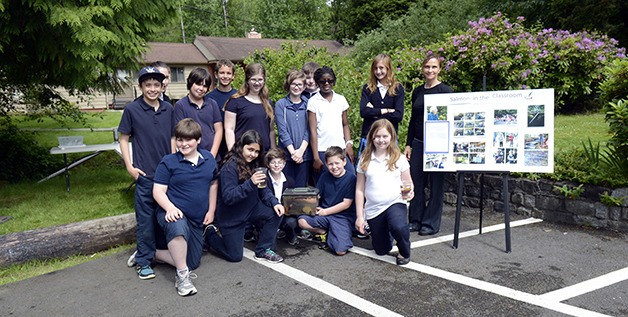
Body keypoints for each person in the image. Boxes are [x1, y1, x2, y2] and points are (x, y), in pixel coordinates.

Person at [119, 66, 175, 280]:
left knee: (164, 218)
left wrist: (172, 163)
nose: (152, 89)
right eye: (148, 85)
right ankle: (143, 261)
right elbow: (124, 138)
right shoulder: (132, 110)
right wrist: (129, 166)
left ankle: (159, 254)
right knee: (145, 221)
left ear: (162, 86)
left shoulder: (168, 108)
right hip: (144, 176)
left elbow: (172, 138)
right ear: (140, 86)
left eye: (156, 85)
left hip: (165, 176)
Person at [153, 118, 218, 296]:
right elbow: (158, 191)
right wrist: (170, 208)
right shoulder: (169, 161)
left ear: (198, 140)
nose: (183, 144)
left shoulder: (209, 159)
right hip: (173, 212)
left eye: (188, 139)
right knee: (178, 225)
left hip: (196, 219)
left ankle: (150, 253)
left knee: (192, 260)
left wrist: (211, 209)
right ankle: (182, 277)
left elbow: (213, 184)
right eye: (179, 139)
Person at [204, 130, 285, 263]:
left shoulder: (255, 164)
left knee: (277, 212)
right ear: (241, 146)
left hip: (251, 208)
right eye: (250, 149)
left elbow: (263, 189)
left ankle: (263, 250)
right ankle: (209, 234)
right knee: (235, 256)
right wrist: (250, 183)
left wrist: (275, 202)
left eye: (257, 151)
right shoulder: (229, 167)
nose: (253, 154)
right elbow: (229, 197)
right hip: (232, 216)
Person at [405, 53, 453, 235]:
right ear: (422, 69)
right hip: (418, 143)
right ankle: (415, 220)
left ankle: (430, 223)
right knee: (416, 183)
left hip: (438, 147)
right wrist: (408, 144)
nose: (430, 70)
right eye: (427, 67)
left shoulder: (446, 91)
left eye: (434, 67)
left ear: (439, 69)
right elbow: (412, 120)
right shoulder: (418, 91)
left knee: (436, 185)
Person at [356, 119, 413, 265]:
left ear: (391, 137)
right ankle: (387, 233)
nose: (381, 140)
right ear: (372, 137)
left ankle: (404, 250)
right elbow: (359, 189)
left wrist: (410, 191)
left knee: (398, 226)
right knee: (381, 250)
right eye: (377, 136)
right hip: (374, 209)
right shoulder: (364, 159)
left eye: (385, 136)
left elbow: (408, 182)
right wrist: (360, 217)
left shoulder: (399, 158)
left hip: (395, 202)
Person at [298, 146, 356, 255]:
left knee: (340, 251)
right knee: (302, 221)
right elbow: (317, 195)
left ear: (344, 162)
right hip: (324, 215)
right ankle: (323, 232)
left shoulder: (351, 179)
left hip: (342, 217)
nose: (334, 167)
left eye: (337, 163)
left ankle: (335, 234)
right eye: (330, 164)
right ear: (326, 163)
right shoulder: (324, 176)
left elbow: (346, 204)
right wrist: (311, 205)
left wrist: (325, 211)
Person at [307, 66, 355, 181]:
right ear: (318, 83)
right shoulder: (313, 101)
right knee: (325, 182)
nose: (326, 84)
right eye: (323, 81)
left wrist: (348, 144)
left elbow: (345, 124)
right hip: (322, 150)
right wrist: (316, 157)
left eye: (330, 81)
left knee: (351, 177)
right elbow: (312, 130)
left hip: (341, 148)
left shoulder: (341, 99)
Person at [358, 54, 404, 158]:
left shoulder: (397, 88)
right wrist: (386, 110)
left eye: (381, 68)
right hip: (369, 137)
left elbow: (398, 115)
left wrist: (373, 111)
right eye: (375, 68)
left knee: (390, 168)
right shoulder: (368, 88)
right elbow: (363, 112)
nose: (378, 72)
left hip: (389, 138)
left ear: (388, 69)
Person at [224, 63, 275, 152]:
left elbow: (271, 131)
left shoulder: (268, 103)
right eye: (253, 80)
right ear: (247, 80)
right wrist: (232, 153)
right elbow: (229, 129)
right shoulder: (235, 102)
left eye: (260, 80)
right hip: (242, 153)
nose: (257, 83)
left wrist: (273, 151)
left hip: (264, 154)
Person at [174, 67, 223, 160]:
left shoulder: (212, 104)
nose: (201, 88)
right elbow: (178, 134)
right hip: (189, 158)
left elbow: (219, 130)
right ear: (190, 83)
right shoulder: (180, 105)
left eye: (205, 86)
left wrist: (212, 154)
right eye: (198, 84)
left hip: (212, 156)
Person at [275, 69, 312, 187]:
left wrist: (300, 151)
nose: (296, 87)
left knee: (301, 190)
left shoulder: (309, 104)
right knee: (287, 189)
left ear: (304, 86)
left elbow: (309, 129)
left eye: (299, 84)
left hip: (304, 156)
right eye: (293, 84)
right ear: (289, 85)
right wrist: (293, 153)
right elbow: (282, 131)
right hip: (286, 155)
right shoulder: (281, 104)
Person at [264, 148, 299, 246]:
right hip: (268, 213)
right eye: (273, 162)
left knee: (291, 222)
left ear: (284, 164)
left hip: (284, 213)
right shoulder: (264, 180)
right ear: (267, 164)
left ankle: (289, 234)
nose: (276, 165)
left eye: (279, 162)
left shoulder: (289, 181)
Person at [207, 59, 237, 160]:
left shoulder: (238, 96)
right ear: (216, 75)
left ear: (233, 76)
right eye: (222, 73)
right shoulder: (209, 98)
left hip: (234, 144)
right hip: (215, 147)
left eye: (229, 73)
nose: (225, 76)